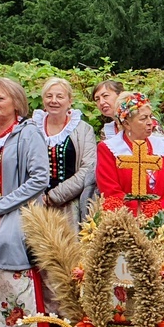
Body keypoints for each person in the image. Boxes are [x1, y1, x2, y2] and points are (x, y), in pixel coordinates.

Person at [0, 78, 55, 327]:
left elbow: (40, 178)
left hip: (14, 211)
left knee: (11, 269)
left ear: (16, 102)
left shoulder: (28, 134)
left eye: (0, 98)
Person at [95, 91, 164, 212]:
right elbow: (110, 190)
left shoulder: (162, 145)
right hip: (127, 218)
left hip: (163, 216)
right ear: (127, 124)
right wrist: (138, 212)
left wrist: (159, 211)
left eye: (150, 116)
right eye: (143, 118)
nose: (150, 122)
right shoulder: (109, 149)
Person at [32, 77, 97, 227]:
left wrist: (56, 196)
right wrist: (37, 196)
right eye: (49, 96)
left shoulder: (83, 129)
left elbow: (88, 168)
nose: (53, 100)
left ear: (69, 101)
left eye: (59, 96)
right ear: (43, 100)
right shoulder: (32, 128)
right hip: (34, 202)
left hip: (70, 202)